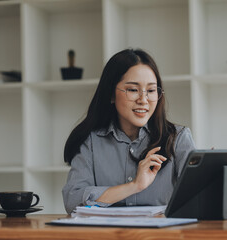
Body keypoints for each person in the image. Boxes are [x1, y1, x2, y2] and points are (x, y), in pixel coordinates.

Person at [62, 48, 196, 214]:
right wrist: (134, 186)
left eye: (151, 90)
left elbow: (197, 199)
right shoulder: (90, 141)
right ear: (111, 94)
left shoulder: (178, 138)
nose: (143, 100)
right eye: (133, 90)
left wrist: (208, 175)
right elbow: (72, 200)